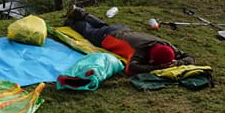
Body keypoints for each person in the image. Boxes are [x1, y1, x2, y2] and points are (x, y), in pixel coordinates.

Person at [63, 6, 193, 76]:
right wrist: (157, 67)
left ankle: (82, 13)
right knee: (88, 31)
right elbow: (131, 69)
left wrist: (177, 62)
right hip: (108, 38)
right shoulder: (140, 51)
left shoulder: (166, 46)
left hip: (122, 29)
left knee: (103, 26)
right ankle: (72, 21)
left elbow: (189, 58)